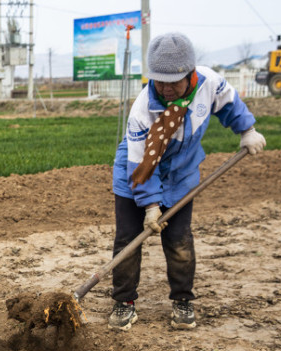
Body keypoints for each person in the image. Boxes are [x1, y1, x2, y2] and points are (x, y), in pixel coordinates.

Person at [109, 32, 266, 331]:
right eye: (160, 81)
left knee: (180, 242)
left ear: (190, 73)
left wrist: (247, 130)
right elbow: (141, 165)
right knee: (127, 241)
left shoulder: (209, 83)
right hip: (135, 177)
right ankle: (124, 302)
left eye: (174, 81)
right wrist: (151, 205)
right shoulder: (142, 110)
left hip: (181, 177)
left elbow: (230, 104)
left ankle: (182, 301)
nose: (167, 88)